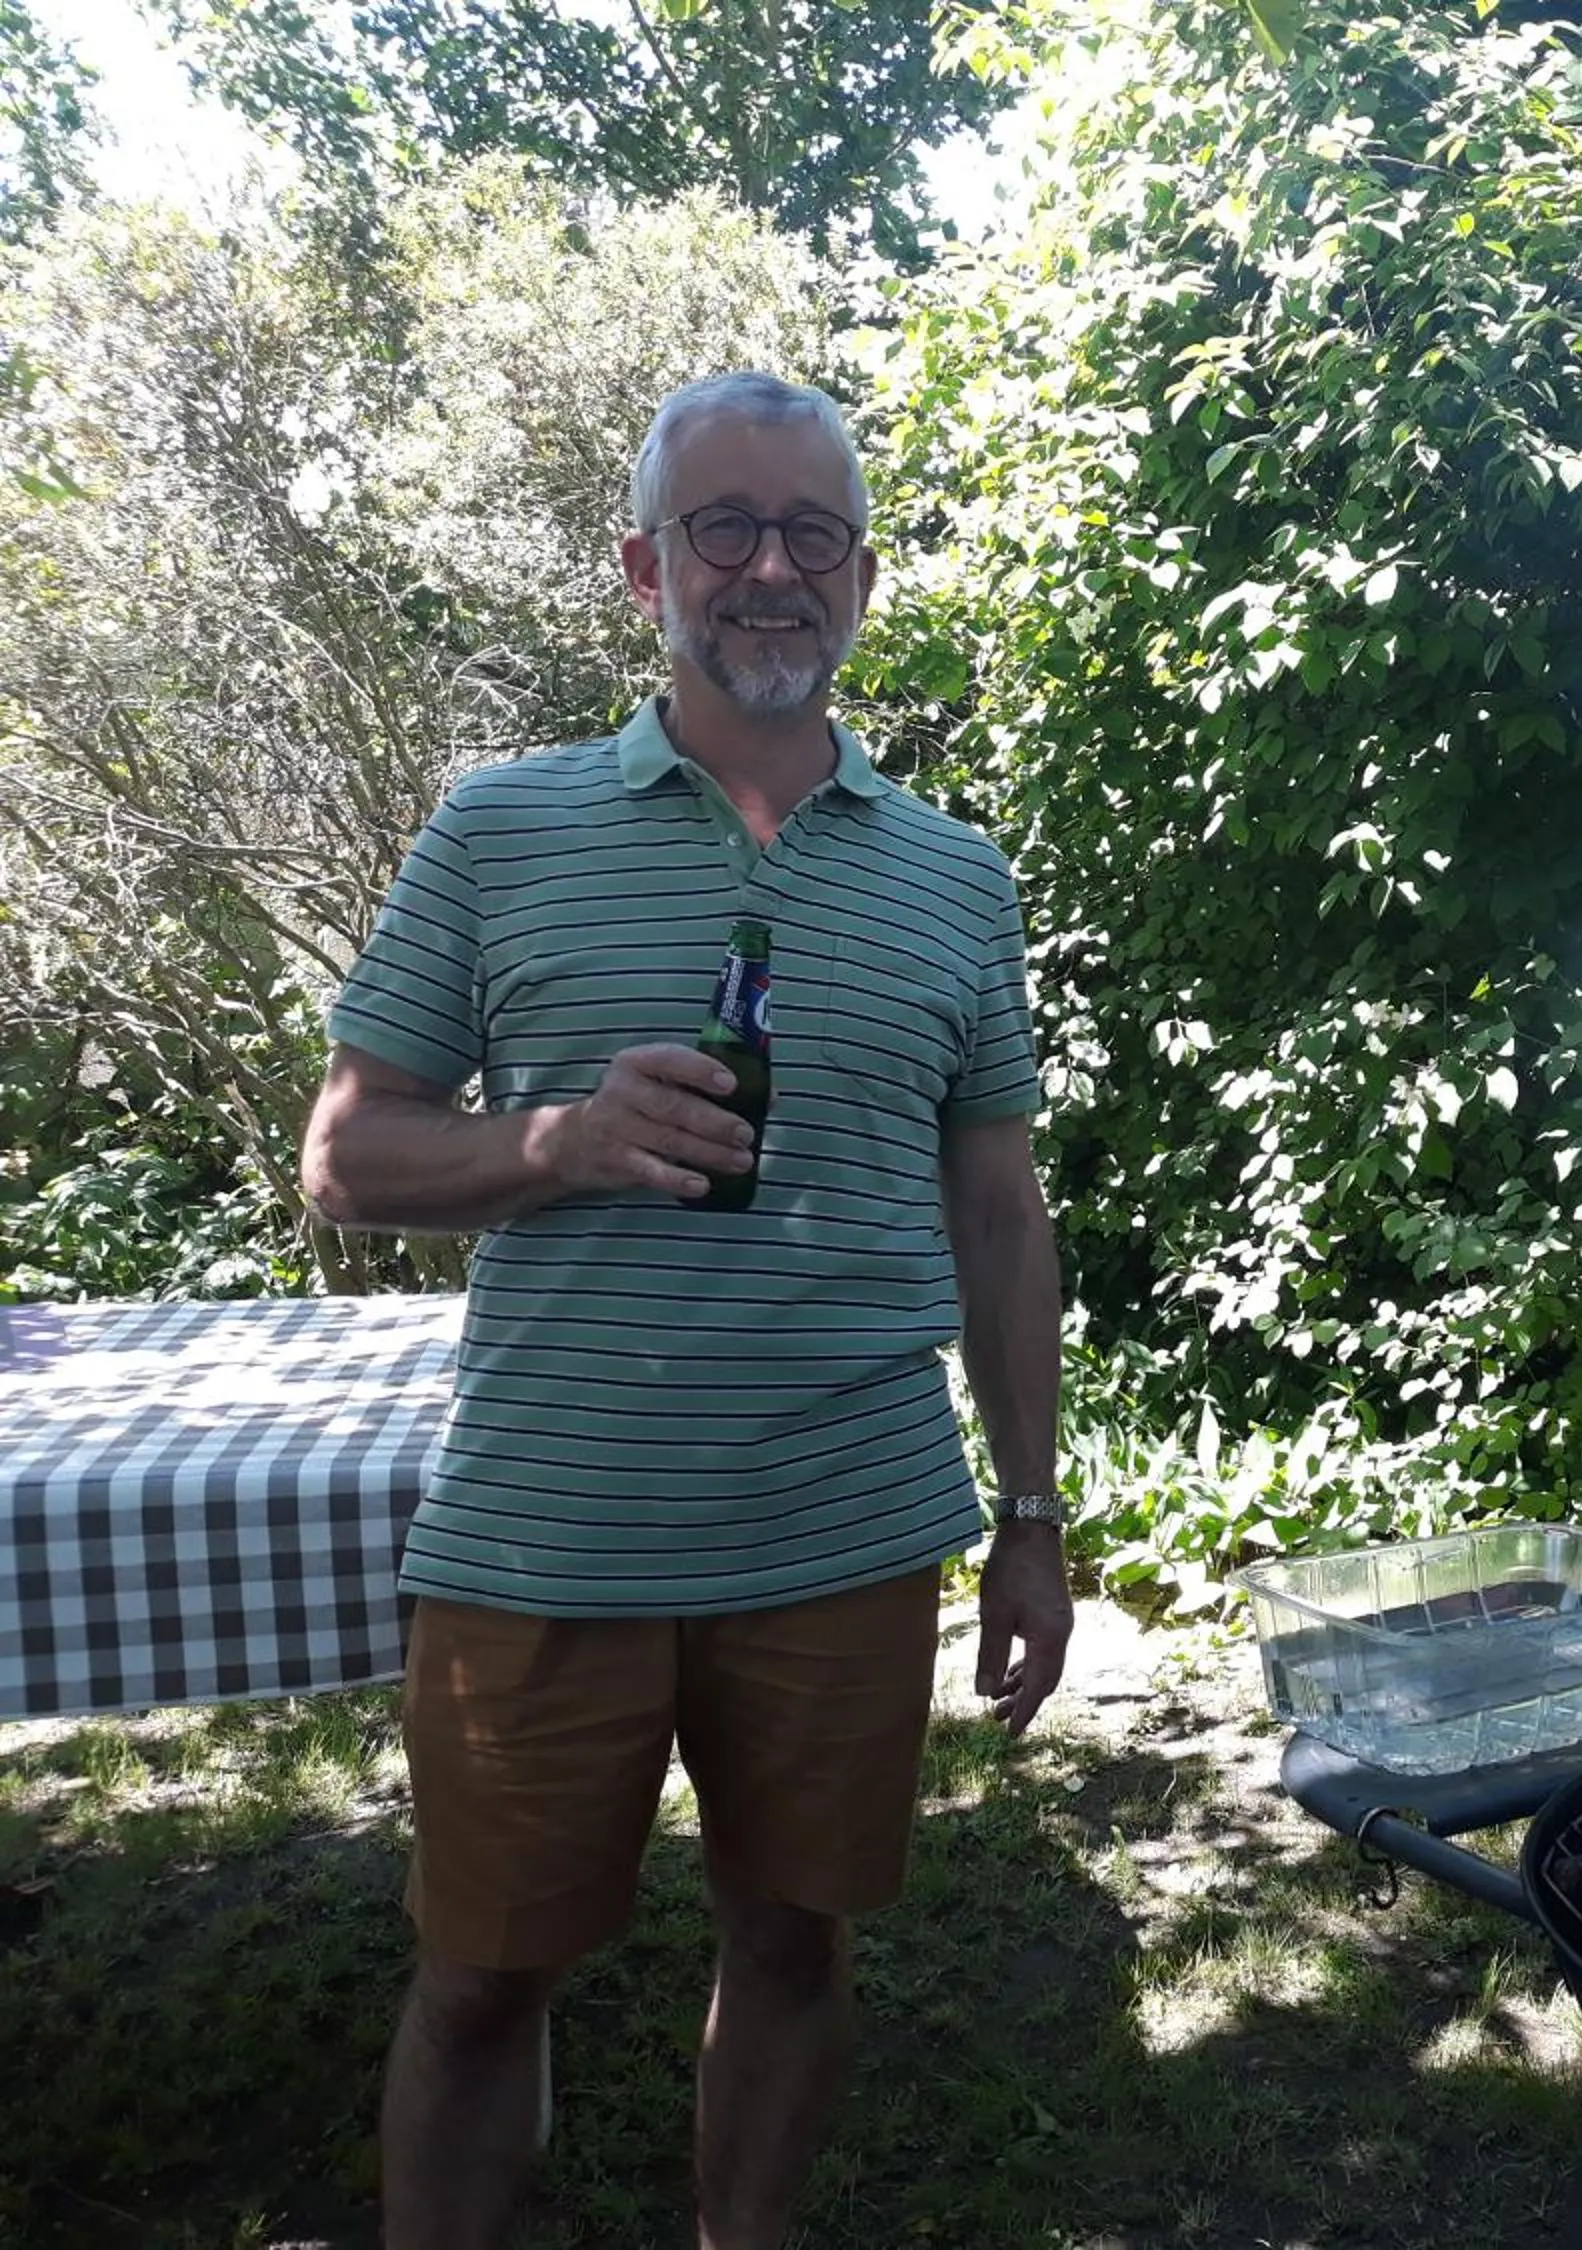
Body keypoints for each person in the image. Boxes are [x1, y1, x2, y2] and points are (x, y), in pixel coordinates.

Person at [301, 370, 1071, 2250]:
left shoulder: (957, 875)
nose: (769, 568)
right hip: (550, 1526)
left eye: (812, 531)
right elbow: (346, 1158)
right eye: (723, 526)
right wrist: (551, 1140)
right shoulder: (500, 830)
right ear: (646, 563)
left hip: (848, 1527)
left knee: (795, 1937)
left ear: (864, 577)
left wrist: (1038, 1520)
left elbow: (997, 1205)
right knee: (484, 1977)